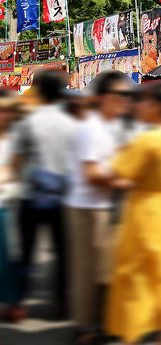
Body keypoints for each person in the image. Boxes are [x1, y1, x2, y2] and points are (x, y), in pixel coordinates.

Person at [105, 82, 161, 345]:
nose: (137, 105)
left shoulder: (148, 139)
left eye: (143, 101)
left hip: (143, 211)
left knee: (134, 273)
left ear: (158, 107)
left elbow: (119, 172)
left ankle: (132, 334)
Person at [65, 71, 134, 344]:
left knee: (104, 270)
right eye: (121, 95)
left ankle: (101, 323)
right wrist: (125, 182)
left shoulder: (109, 127)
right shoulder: (90, 128)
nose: (126, 100)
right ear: (104, 98)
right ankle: (85, 328)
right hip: (86, 207)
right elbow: (92, 174)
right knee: (87, 271)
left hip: (102, 206)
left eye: (129, 95)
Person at [11, 69, 75, 316]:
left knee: (26, 251)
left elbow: (17, 159)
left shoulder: (28, 121)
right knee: (62, 253)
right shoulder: (70, 123)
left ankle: (18, 304)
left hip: (31, 196)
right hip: (61, 197)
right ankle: (62, 303)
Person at [0, 97, 23, 322]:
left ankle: (12, 303)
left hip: (9, 206)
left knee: (9, 259)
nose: (4, 115)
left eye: (7, 111)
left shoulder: (15, 139)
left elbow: (17, 170)